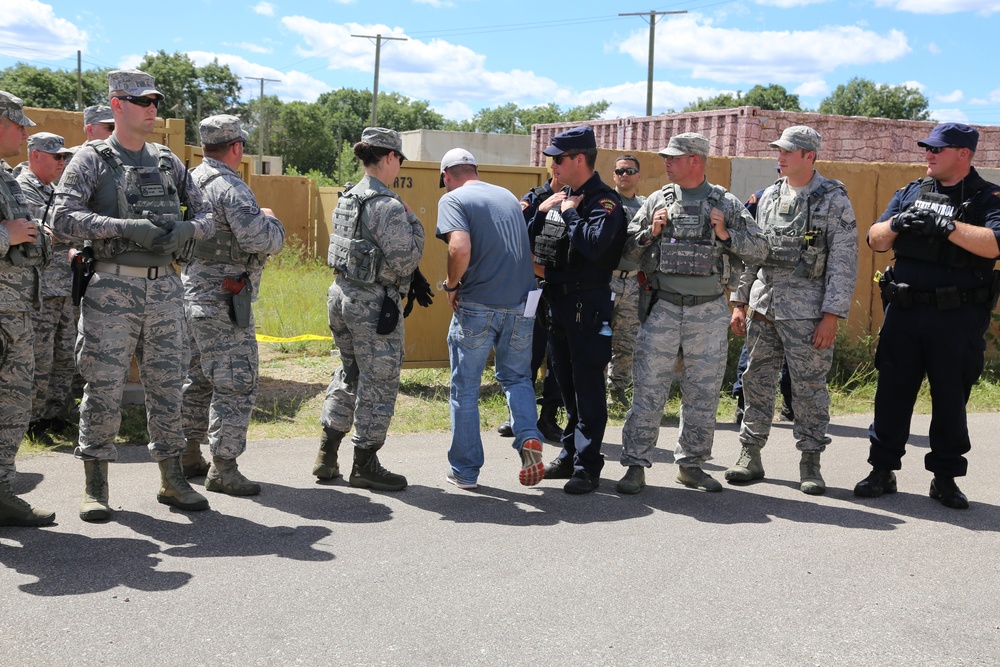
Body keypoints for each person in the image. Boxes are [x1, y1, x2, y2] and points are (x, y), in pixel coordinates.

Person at [52, 68, 215, 522]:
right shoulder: (91, 160)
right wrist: (126, 228)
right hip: (111, 287)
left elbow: (207, 218)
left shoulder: (167, 160)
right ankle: (96, 484)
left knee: (167, 385)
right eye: (142, 101)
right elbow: (61, 218)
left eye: (155, 101)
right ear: (117, 104)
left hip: (165, 286)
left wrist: (187, 228)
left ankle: (171, 478)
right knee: (102, 386)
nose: (152, 109)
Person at [854, 122, 1000, 509]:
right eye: (927, 148)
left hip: (957, 318)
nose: (928, 154)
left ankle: (946, 478)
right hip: (904, 312)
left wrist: (948, 226)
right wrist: (897, 223)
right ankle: (882, 471)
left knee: (951, 398)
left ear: (963, 154)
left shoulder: (988, 197)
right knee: (891, 395)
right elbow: (875, 239)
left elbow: (995, 245)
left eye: (937, 149)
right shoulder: (912, 191)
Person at [616, 133, 767, 495]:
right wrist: (650, 233)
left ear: (695, 161)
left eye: (674, 157)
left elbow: (760, 249)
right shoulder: (657, 200)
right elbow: (624, 255)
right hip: (663, 306)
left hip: (709, 311)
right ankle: (635, 465)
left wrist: (725, 233)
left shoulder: (725, 202)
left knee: (703, 391)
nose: (666, 162)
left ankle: (692, 465)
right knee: (649, 389)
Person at [725, 126, 858, 495]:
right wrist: (740, 302)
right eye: (778, 150)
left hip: (809, 313)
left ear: (809, 156)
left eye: (787, 151)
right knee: (755, 380)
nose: (779, 157)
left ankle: (810, 461)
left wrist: (831, 315)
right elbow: (754, 253)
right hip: (764, 307)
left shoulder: (833, 199)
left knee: (809, 389)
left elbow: (844, 263)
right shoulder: (768, 195)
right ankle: (750, 454)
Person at [180, 115, 285, 496]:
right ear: (237, 147)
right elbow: (261, 240)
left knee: (197, 380)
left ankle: (188, 454)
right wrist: (272, 221)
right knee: (235, 383)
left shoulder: (189, 180)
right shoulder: (230, 187)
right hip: (223, 303)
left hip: (190, 295)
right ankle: (223, 468)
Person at [315, 127, 424, 492]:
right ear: (390, 158)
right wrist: (414, 221)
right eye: (398, 161)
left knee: (349, 372)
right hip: (373, 305)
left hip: (341, 294)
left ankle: (327, 454)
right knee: (379, 381)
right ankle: (365, 463)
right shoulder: (388, 205)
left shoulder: (348, 196)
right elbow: (407, 259)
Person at [435, 147, 544, 489]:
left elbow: (459, 248)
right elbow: (525, 252)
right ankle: (528, 435)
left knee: (465, 388)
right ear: (475, 170)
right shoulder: (509, 197)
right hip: (522, 303)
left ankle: (466, 472)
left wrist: (452, 285)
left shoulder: (454, 199)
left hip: (478, 305)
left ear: (446, 176)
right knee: (517, 378)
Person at [528, 125, 625, 494]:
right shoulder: (561, 196)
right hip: (556, 301)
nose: (552, 164)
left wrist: (569, 212)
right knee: (565, 384)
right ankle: (569, 454)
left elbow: (595, 246)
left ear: (579, 159)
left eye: (558, 159)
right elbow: (534, 242)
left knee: (587, 386)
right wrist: (542, 211)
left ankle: (588, 465)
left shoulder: (604, 202)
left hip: (588, 302)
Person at [0, 91, 55, 527]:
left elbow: (29, 235)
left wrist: (38, 236)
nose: (24, 132)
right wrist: (7, 234)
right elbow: (13, 233)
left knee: (13, 406)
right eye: (18, 124)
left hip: (16, 313)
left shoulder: (5, 175)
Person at [15, 132, 75, 439]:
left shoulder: (53, 188)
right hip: (40, 289)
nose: (62, 162)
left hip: (65, 286)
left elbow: (66, 226)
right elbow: (53, 228)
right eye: (57, 157)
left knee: (65, 356)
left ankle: (55, 415)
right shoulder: (23, 188)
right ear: (36, 154)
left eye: (65, 157)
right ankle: (32, 421)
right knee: (40, 357)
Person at [731, 187, 794, 427]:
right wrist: (740, 301)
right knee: (753, 354)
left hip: (799, 301)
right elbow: (748, 251)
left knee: (793, 358)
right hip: (764, 295)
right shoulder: (763, 198)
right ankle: (742, 402)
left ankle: (790, 404)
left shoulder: (819, 198)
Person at [607, 154, 646, 410]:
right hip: (606, 280)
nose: (624, 175)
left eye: (630, 171)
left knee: (626, 342)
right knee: (598, 339)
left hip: (632, 283)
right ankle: (592, 391)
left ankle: (617, 390)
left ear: (638, 176)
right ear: (614, 175)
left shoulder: (645, 205)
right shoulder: (606, 202)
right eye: (620, 171)